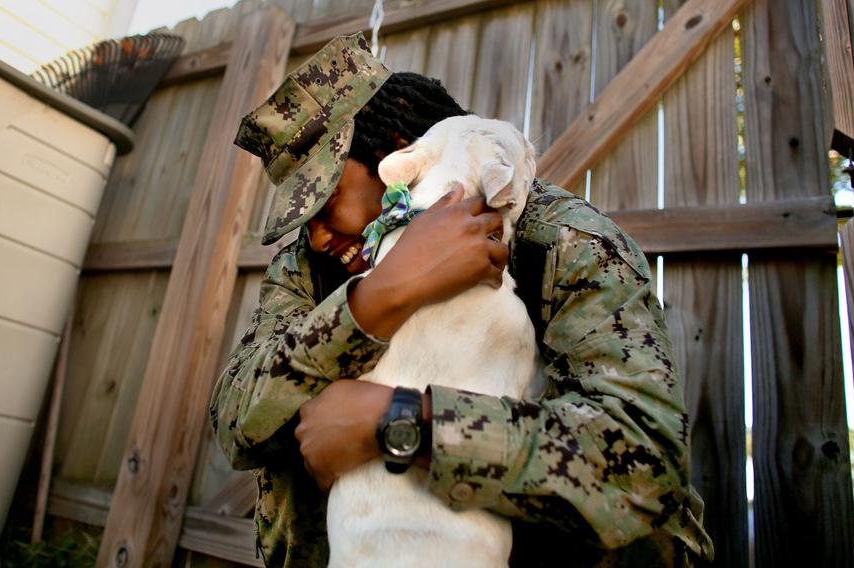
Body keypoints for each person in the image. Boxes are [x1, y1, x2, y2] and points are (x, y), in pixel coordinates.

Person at [209, 33, 714, 567]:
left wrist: (400, 424)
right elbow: (237, 421)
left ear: (398, 150)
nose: (315, 237)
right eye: (300, 218)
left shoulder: (559, 239)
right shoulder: (310, 268)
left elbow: (641, 465)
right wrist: (379, 297)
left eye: (326, 201)